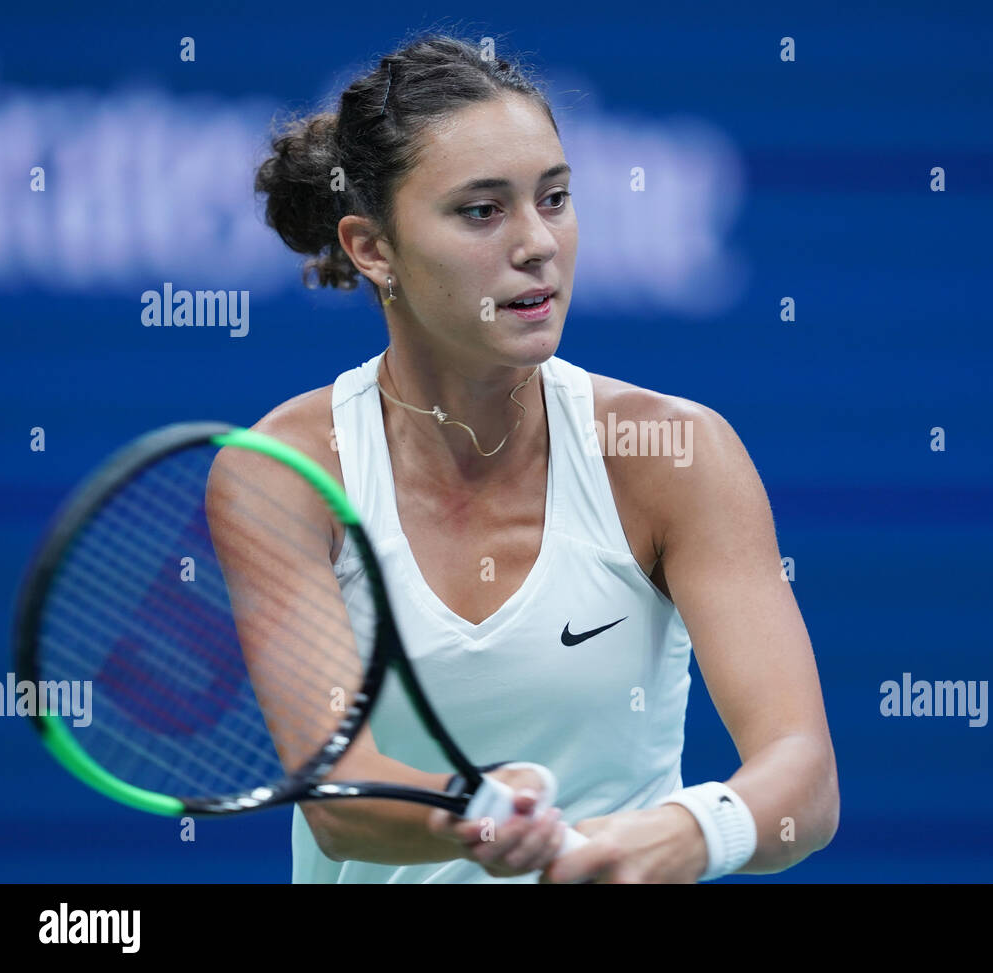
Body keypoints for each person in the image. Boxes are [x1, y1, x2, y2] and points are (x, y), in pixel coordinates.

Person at [250, 30, 838, 883]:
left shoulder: (673, 454)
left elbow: (804, 779)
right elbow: (339, 798)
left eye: (554, 198)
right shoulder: (287, 469)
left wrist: (681, 832)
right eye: (482, 211)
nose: (538, 243)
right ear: (373, 248)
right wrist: (476, 810)